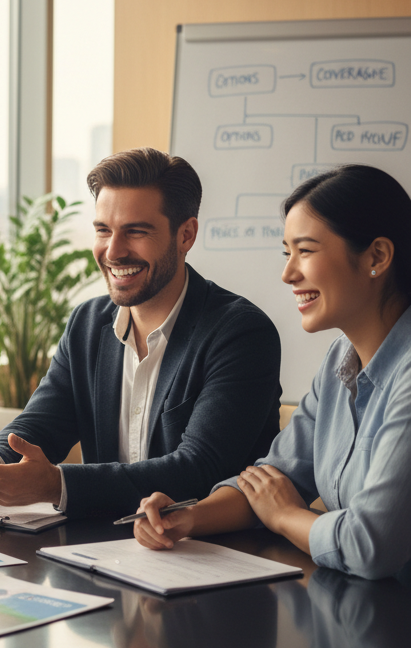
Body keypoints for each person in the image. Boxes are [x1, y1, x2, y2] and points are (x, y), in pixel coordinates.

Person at [0, 148, 281, 517]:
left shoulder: (241, 333)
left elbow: (199, 469)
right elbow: (42, 424)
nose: (114, 251)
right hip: (105, 549)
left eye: (136, 232)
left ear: (185, 234)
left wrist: (57, 484)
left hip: (211, 552)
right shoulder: (88, 323)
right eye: (103, 230)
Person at [134, 165, 411, 580]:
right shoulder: (341, 359)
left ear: (377, 256)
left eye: (306, 251)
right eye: (287, 253)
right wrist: (187, 518)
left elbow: (369, 546)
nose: (288, 273)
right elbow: (275, 477)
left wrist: (284, 516)